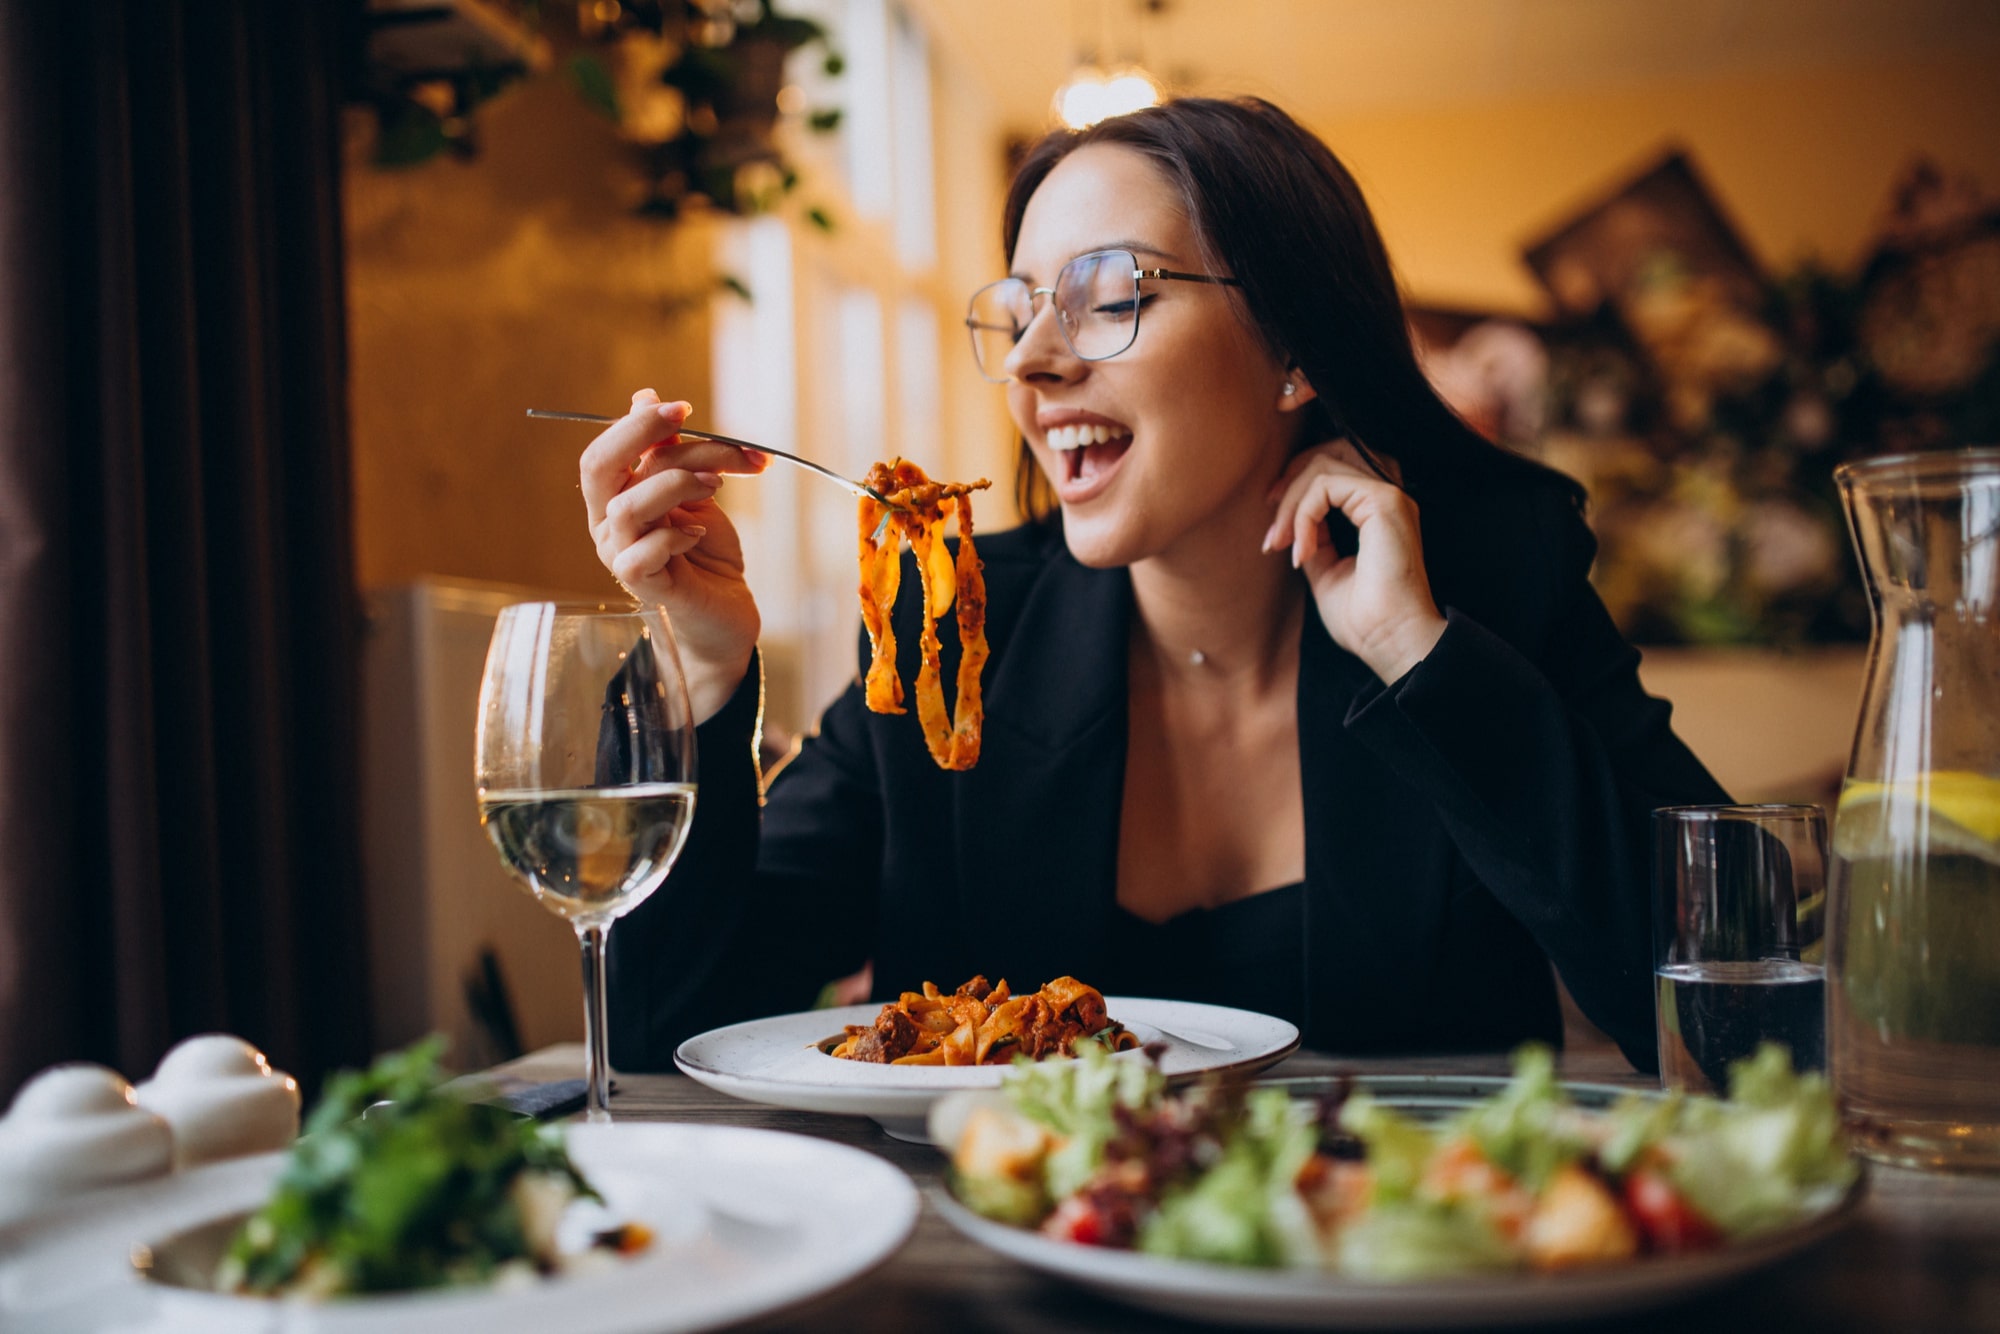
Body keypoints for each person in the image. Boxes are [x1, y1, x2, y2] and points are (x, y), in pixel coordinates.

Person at [580, 96, 1728, 1075]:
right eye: (1021, 306)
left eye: (1110, 292)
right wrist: (704, 671)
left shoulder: (1486, 585)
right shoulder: (954, 628)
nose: (1033, 360)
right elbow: (666, 1027)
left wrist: (1413, 652)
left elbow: (1730, 1015)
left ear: (1293, 350)